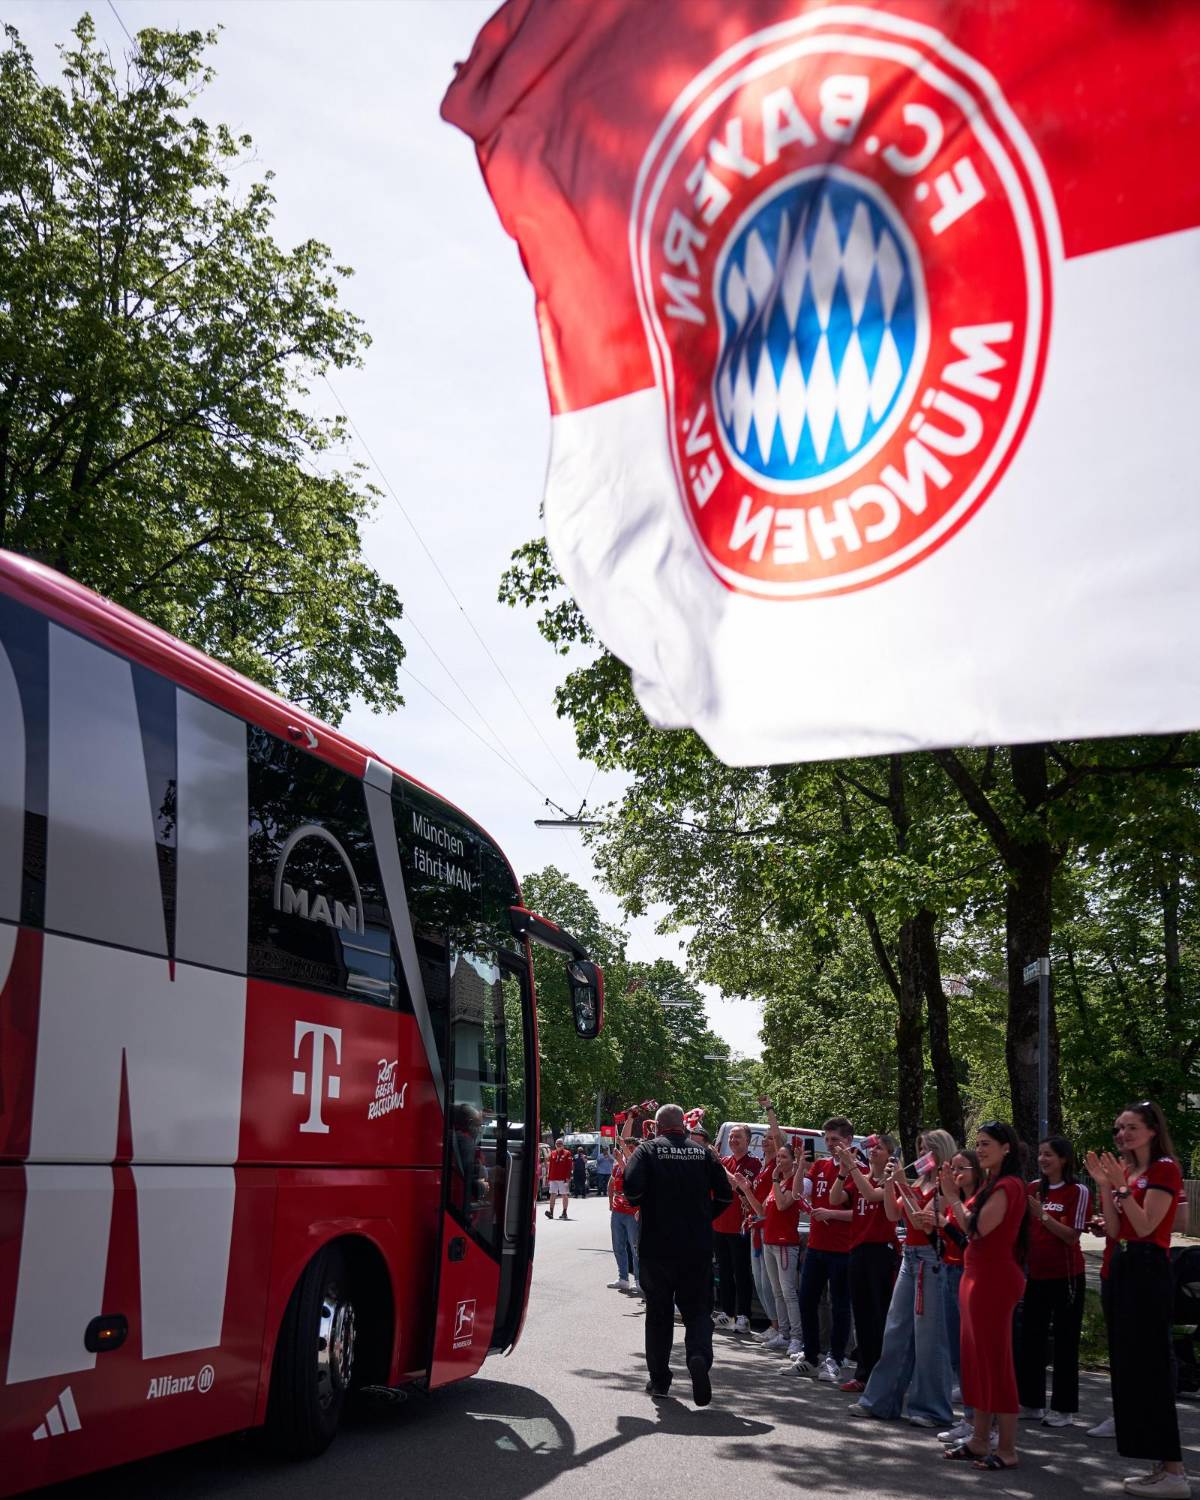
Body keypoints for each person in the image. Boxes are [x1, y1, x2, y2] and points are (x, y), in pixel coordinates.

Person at [1086, 1101, 1189, 1498]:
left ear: (1151, 1130)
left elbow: (1147, 1226)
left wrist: (1123, 1188)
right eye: (1117, 1128)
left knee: (1153, 1371)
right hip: (1120, 1268)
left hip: (1147, 1270)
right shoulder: (1126, 1172)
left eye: (1130, 1127)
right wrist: (1105, 1185)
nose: (1121, 1135)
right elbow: (1114, 1229)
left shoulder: (1165, 1169)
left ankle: (1175, 1471)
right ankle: (1158, 1466)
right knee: (1131, 1371)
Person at [622, 1102, 733, 1405]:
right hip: (696, 1246)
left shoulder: (647, 1151)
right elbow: (726, 1194)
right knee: (697, 1310)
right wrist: (703, 1216)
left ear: (657, 1127)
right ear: (683, 1126)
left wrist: (649, 1205)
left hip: (656, 1246)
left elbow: (630, 1190)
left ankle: (659, 1381)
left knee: (658, 1313)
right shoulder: (704, 1153)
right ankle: (698, 1355)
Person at [849, 1128, 956, 1429]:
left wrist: (899, 1187)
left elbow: (926, 1221)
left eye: (928, 1150)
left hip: (932, 1259)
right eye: (920, 1148)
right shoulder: (921, 1180)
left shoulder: (947, 1185)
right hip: (911, 1255)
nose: (922, 1155)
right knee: (895, 1330)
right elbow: (894, 1215)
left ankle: (932, 1408)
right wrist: (894, 1186)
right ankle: (880, 1401)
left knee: (929, 1338)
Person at [941, 1120, 1027, 1473]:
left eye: (987, 1142)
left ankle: (1006, 1448)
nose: (980, 1148)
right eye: (977, 1142)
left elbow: (976, 1228)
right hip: (975, 1276)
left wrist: (951, 1197)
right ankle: (978, 1439)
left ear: (1007, 1147)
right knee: (975, 1362)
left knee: (996, 1364)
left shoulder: (1009, 1185)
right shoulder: (992, 1182)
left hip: (993, 1279)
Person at [1016, 1136, 1089, 1427]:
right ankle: (1032, 1403)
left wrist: (1043, 1216)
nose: (1043, 1160)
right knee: (1031, 1340)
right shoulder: (1033, 1188)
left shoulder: (1077, 1191)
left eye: (1049, 1155)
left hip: (1067, 1276)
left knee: (1065, 1341)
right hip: (1036, 1275)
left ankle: (1064, 1408)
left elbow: (1072, 1235)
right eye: (1041, 1154)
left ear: (1063, 1159)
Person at [831, 1132, 899, 1391]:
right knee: (862, 1314)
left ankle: (881, 1376)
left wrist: (852, 1168)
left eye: (879, 1148)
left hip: (880, 1253)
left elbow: (871, 1195)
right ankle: (863, 1374)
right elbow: (835, 1199)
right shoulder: (862, 1177)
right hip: (858, 1251)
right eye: (871, 1147)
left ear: (890, 1154)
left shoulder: (890, 1181)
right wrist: (842, 1172)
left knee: (879, 1316)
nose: (872, 1151)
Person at [794, 1115, 856, 1381]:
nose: (830, 1144)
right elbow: (799, 1193)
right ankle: (810, 1355)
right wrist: (799, 1167)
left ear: (849, 1140)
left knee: (839, 1305)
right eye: (827, 1139)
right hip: (817, 1246)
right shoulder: (819, 1165)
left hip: (843, 1249)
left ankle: (836, 1358)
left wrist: (831, 1213)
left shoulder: (858, 1169)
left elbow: (860, 1213)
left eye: (836, 1140)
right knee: (806, 1298)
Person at [738, 1139, 805, 1355]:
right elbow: (761, 1210)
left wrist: (775, 1178)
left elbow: (784, 1203)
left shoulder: (792, 1182)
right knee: (777, 1292)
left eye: (784, 1157)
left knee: (788, 1292)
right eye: (778, 1157)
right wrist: (746, 1190)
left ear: (793, 1162)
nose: (779, 1161)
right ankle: (783, 1334)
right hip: (769, 1241)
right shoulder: (777, 1184)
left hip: (785, 1243)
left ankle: (796, 1337)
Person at [936, 1149, 982, 1446]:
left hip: (967, 1273)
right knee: (957, 1348)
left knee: (971, 1351)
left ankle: (976, 1421)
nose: (956, 1174)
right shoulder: (957, 1200)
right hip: (950, 1270)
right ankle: (969, 1416)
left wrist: (945, 1222)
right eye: (952, 1169)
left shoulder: (976, 1200)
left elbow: (969, 1238)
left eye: (961, 1167)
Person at [712, 1119, 762, 1332]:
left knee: (741, 1273)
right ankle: (727, 1313)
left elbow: (738, 1187)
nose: (733, 1140)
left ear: (748, 1141)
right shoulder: (725, 1160)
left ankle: (743, 1316)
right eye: (731, 1137)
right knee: (723, 1272)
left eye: (737, 1137)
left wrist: (719, 1166)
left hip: (739, 1227)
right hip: (719, 1225)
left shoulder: (753, 1163)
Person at [607, 1127, 640, 1295]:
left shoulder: (637, 1163)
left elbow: (631, 1175)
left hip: (632, 1210)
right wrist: (610, 1202)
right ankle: (623, 1278)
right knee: (618, 1245)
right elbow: (612, 1183)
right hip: (618, 1209)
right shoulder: (617, 1165)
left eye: (632, 1147)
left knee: (635, 1247)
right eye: (627, 1147)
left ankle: (639, 1280)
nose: (629, 1149)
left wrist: (622, 1155)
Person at [545, 1137, 572, 1220]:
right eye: (557, 1144)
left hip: (563, 1178)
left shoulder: (567, 1153)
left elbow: (569, 1166)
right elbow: (550, 1165)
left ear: (563, 1145)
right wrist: (548, 1176)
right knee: (552, 1194)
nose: (558, 1145)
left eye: (560, 1143)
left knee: (564, 1194)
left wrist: (568, 1177)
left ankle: (564, 1212)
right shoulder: (552, 1153)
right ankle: (551, 1212)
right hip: (553, 1177)